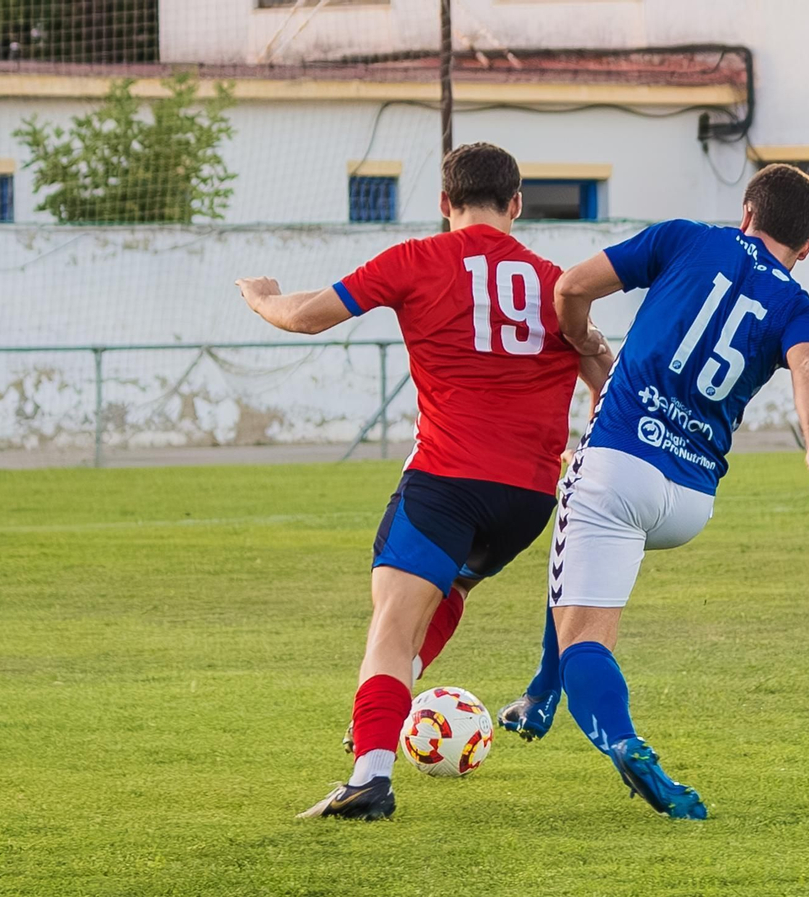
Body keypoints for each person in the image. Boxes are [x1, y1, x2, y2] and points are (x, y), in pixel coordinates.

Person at [236, 142, 612, 821]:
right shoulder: (558, 283)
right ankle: (387, 711)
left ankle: (370, 776)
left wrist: (261, 297)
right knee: (451, 588)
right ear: (517, 204)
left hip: (447, 480)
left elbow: (307, 315)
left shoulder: (416, 258)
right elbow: (600, 371)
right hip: (527, 500)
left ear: (444, 203)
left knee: (390, 625)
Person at [496, 164, 809, 819]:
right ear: (807, 247)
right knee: (578, 577)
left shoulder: (687, 238)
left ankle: (622, 738)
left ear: (745, 212)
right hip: (689, 500)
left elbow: (572, 285)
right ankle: (540, 693)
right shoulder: (800, 307)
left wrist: (582, 338)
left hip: (618, 464)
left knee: (586, 639)